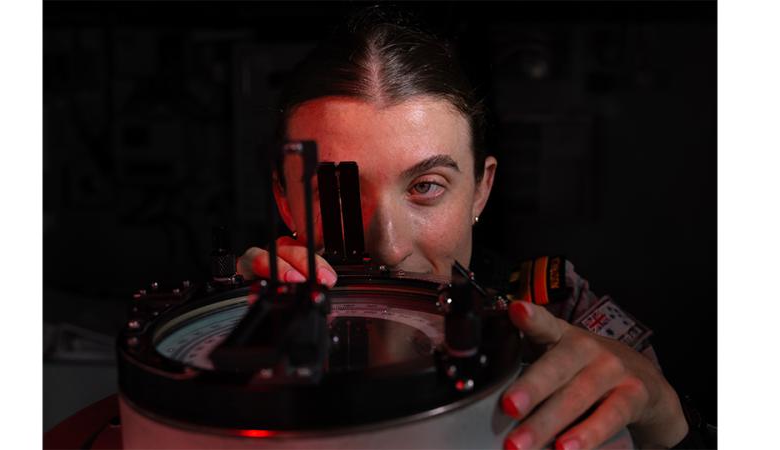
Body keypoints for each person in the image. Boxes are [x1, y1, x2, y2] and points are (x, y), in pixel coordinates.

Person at [237, 8, 690, 450]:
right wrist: (233, 329)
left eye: (426, 186)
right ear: (285, 201)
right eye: (339, 195)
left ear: (480, 189)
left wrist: (667, 425)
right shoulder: (238, 327)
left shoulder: (560, 310)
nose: (390, 247)